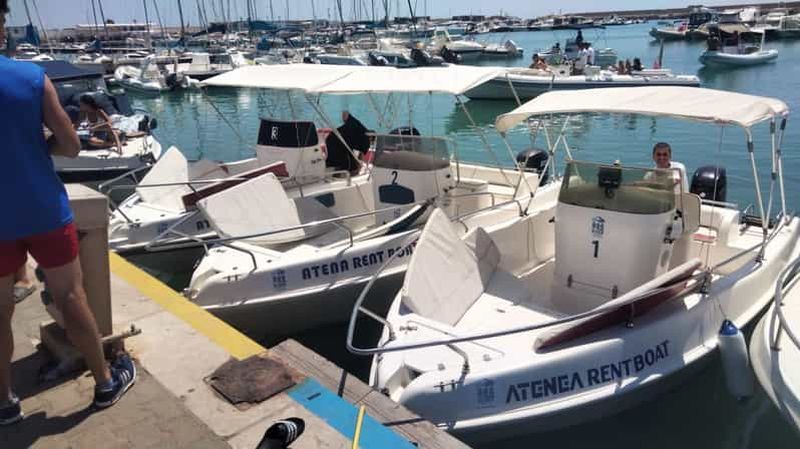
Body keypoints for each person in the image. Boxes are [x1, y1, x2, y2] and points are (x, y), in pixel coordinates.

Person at [0, 0, 135, 426]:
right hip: (43, 208)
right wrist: (38, 146)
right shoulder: (31, 78)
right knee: (71, 297)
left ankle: (4, 402)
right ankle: (105, 381)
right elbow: (71, 146)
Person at [324, 110, 366, 175]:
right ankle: (352, 171)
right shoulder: (354, 132)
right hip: (343, 161)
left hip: (331, 161)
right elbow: (361, 153)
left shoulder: (336, 132)